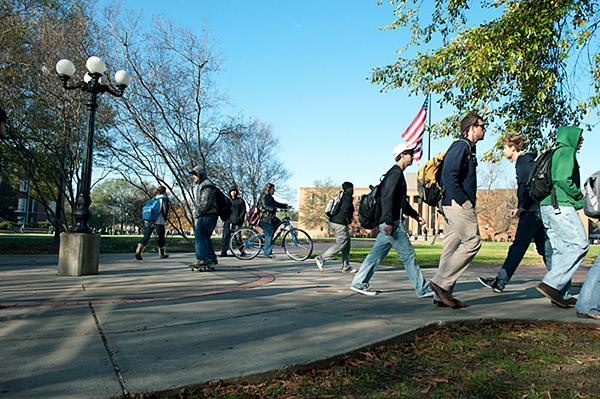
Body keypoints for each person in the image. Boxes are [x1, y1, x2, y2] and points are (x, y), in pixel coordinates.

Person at [349, 142, 432, 298]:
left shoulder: (395, 174)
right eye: (409, 154)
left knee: (375, 255)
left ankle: (358, 283)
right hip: (392, 222)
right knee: (408, 255)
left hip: (389, 221)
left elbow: (400, 201)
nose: (412, 156)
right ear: (402, 155)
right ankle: (422, 290)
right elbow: (388, 198)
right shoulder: (395, 174)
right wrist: (388, 221)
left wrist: (415, 215)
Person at [478, 134, 552, 293]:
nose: (504, 151)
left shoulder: (522, 162)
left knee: (518, 247)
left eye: (505, 147)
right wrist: (520, 208)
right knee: (545, 249)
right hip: (536, 210)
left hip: (531, 212)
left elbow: (528, 187)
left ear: (513, 148)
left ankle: (500, 282)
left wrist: (523, 207)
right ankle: (560, 284)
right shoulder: (528, 161)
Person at [428, 114, 485, 308]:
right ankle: (441, 282)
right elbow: (448, 175)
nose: (484, 130)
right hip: (456, 204)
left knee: (450, 247)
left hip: (452, 204)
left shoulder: (468, 148)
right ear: (471, 128)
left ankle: (441, 296)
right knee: (473, 241)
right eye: (481, 126)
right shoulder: (461, 146)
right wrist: (464, 201)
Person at [536, 126, 589, 308]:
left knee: (561, 250)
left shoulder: (554, 153)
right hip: (561, 206)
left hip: (547, 208)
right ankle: (551, 283)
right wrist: (580, 197)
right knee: (579, 244)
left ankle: (561, 295)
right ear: (571, 137)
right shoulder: (567, 151)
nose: (581, 140)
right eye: (579, 137)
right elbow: (563, 179)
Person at [315, 181, 356, 273]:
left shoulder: (341, 196)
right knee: (341, 243)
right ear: (349, 189)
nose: (353, 191)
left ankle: (346, 267)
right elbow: (345, 210)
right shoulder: (348, 197)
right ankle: (321, 258)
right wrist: (348, 219)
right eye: (352, 189)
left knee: (347, 243)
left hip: (335, 221)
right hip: (339, 223)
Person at [188, 166, 219, 270]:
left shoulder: (207, 185)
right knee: (205, 237)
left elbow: (205, 204)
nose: (193, 177)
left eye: (194, 174)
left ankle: (202, 258)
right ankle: (211, 258)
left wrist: (197, 213)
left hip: (207, 215)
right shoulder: (204, 185)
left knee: (200, 236)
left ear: (200, 174)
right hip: (209, 215)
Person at [135, 186, 170, 260]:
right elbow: (165, 210)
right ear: (164, 192)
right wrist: (165, 219)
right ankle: (162, 253)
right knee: (161, 237)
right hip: (159, 221)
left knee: (146, 236)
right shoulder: (163, 199)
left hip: (148, 220)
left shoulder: (153, 199)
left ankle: (139, 251)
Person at [257, 183, 291, 258]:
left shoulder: (270, 197)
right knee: (270, 233)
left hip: (271, 218)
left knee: (279, 222)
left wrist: (286, 206)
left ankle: (266, 237)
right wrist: (275, 209)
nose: (274, 191)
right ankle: (267, 253)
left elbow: (276, 204)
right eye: (273, 189)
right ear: (269, 189)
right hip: (265, 218)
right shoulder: (263, 197)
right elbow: (266, 206)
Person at [220, 187, 246, 257]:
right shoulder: (227, 201)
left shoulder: (240, 200)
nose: (233, 192)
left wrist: (240, 218)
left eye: (235, 191)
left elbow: (243, 211)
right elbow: (223, 210)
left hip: (237, 221)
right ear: (230, 192)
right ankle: (224, 251)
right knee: (225, 236)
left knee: (238, 237)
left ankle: (242, 251)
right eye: (232, 191)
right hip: (228, 221)